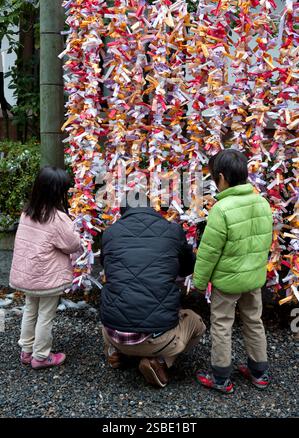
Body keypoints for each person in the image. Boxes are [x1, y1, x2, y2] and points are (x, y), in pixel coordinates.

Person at [100, 192, 206, 388]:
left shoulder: (110, 233)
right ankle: (160, 362)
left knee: (117, 302)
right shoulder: (172, 231)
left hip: (113, 332)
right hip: (158, 338)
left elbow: (108, 267)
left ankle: (116, 352)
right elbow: (187, 268)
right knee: (196, 323)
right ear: (151, 208)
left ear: (124, 212)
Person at [193, 149, 273, 394]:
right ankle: (259, 372)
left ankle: (221, 377)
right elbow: (264, 242)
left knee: (222, 324)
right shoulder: (262, 202)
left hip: (227, 281)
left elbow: (209, 251)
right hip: (253, 279)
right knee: (253, 321)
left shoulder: (222, 209)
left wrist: (199, 281)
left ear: (222, 177)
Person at [9, 166, 81, 369]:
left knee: (30, 310)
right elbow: (72, 244)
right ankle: (41, 356)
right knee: (45, 315)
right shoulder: (57, 218)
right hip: (47, 278)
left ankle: (26, 350)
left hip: (28, 276)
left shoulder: (27, 212)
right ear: (58, 193)